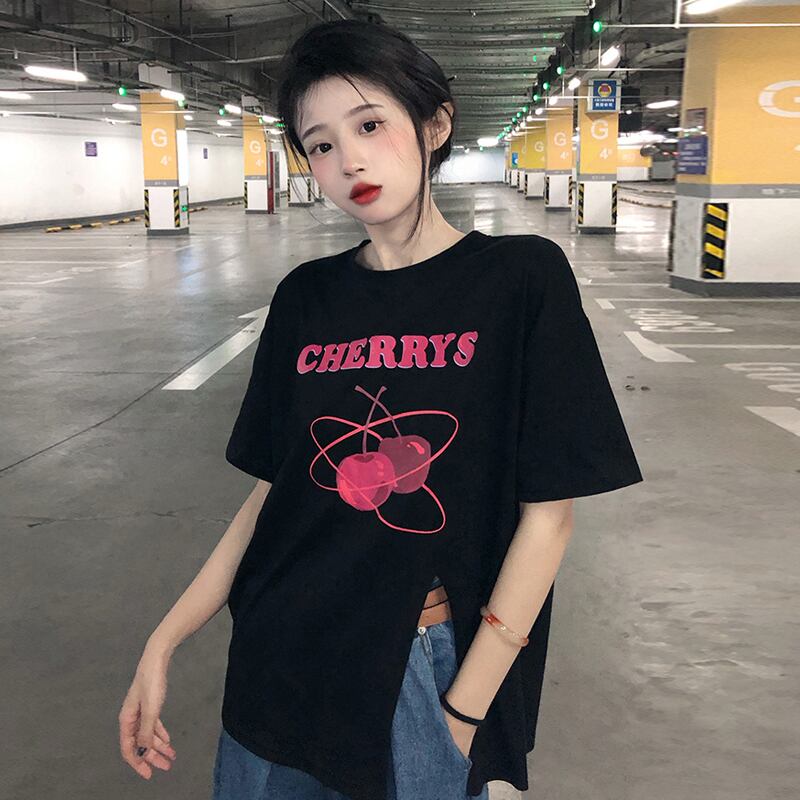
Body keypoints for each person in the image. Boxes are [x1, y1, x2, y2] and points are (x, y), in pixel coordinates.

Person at [117, 17, 644, 800]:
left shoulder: (520, 279)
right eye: (321, 144)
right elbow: (272, 495)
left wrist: (462, 713)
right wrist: (163, 641)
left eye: (369, 125)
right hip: (277, 658)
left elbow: (549, 519)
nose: (349, 160)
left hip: (419, 661)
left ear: (433, 125)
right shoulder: (306, 297)